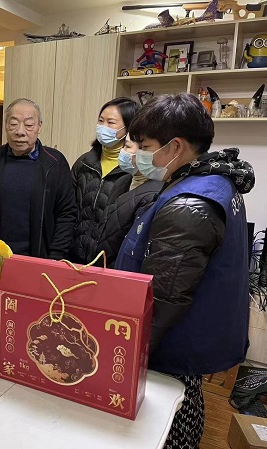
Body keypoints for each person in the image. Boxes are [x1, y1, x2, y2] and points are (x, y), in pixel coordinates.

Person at [115, 93, 254, 448]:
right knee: (186, 404)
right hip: (187, 343)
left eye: (146, 146)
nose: (138, 154)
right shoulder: (215, 181)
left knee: (164, 424)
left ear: (176, 147)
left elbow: (163, 299)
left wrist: (130, 356)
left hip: (170, 350)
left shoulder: (191, 203)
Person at [0, 98, 77, 259]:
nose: (20, 131)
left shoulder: (55, 163)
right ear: (6, 125)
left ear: (39, 127)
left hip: (41, 258)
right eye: (13, 124)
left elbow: (66, 213)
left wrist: (55, 257)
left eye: (29, 125)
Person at [70, 97, 140, 263]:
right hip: (74, 255)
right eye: (101, 121)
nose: (103, 127)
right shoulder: (84, 162)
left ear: (128, 127)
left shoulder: (133, 169)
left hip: (110, 260)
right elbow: (68, 208)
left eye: (111, 122)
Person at [96, 133, 163, 267]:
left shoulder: (155, 194)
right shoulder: (123, 181)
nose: (122, 151)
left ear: (145, 152)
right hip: (105, 263)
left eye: (127, 146)